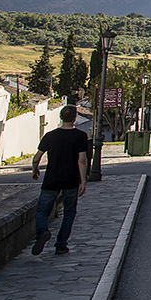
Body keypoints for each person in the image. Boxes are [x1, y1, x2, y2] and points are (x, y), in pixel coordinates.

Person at [30, 104, 89, 256]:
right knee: (69, 213)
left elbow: (37, 158)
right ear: (75, 118)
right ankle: (61, 244)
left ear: (61, 117)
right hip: (71, 179)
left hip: (52, 178)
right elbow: (81, 160)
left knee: (42, 210)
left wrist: (35, 170)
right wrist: (83, 181)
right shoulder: (80, 136)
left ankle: (42, 232)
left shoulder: (50, 136)